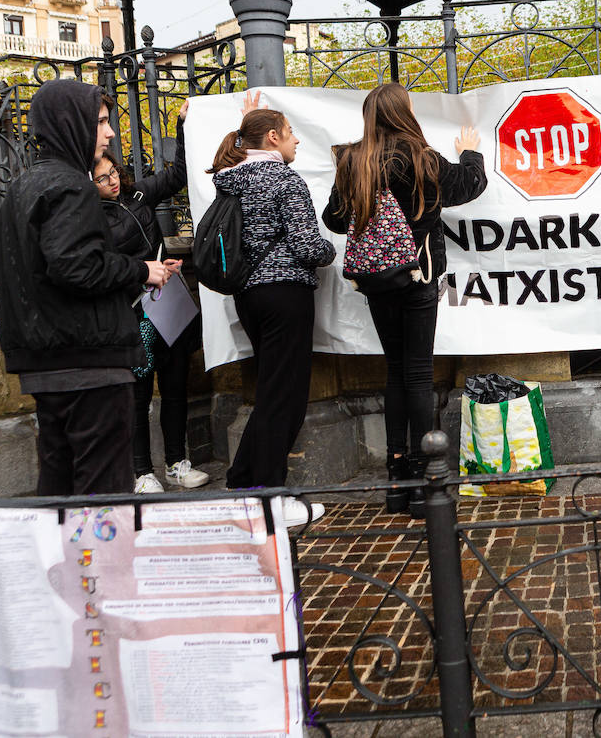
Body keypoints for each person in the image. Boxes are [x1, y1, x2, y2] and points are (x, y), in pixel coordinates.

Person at [0, 80, 177, 496]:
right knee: (101, 491)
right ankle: (99, 563)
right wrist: (140, 270)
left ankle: (64, 561)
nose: (110, 134)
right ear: (70, 124)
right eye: (100, 123)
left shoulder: (23, 187)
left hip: (47, 362)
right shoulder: (71, 186)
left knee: (61, 485)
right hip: (87, 361)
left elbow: (8, 270)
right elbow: (77, 267)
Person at [323, 82, 487, 516]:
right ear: (404, 113)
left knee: (396, 371)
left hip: (376, 281)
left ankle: (396, 480)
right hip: (419, 276)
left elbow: (334, 221)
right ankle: (424, 481)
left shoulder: (353, 160)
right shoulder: (423, 158)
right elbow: (470, 185)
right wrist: (470, 151)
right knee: (418, 373)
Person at [209, 94, 336, 526]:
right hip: (285, 294)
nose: (297, 141)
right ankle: (270, 500)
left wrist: (246, 118)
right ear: (273, 137)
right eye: (291, 132)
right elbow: (307, 246)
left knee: (269, 393)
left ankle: (244, 484)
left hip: (249, 296)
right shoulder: (284, 180)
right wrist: (330, 250)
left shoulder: (230, 179)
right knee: (286, 398)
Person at [94, 98, 210, 493]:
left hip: (169, 306)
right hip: (134, 314)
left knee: (177, 385)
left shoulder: (138, 196)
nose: (110, 181)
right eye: (101, 178)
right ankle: (142, 471)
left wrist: (180, 127)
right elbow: (98, 270)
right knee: (139, 394)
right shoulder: (90, 219)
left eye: (113, 173)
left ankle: (177, 462)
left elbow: (177, 174)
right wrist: (146, 276)